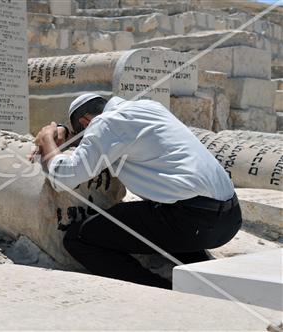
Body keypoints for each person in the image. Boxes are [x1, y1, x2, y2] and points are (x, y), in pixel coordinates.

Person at [33, 93, 242, 288]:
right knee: (154, 216)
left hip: (191, 221)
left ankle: (157, 288)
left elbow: (64, 177)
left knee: (78, 238)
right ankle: (203, 276)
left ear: (87, 122)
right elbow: (105, 138)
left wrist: (47, 140)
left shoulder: (105, 124)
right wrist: (68, 132)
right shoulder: (148, 107)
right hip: (229, 220)